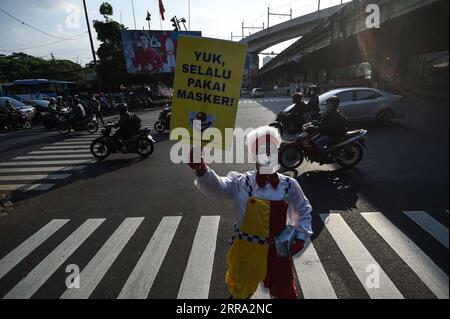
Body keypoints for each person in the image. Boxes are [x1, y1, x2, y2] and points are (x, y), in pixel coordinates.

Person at [188, 126, 313, 299]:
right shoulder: (241, 182)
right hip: (246, 249)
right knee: (240, 292)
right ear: (254, 154)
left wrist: (300, 237)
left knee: (284, 290)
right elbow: (219, 187)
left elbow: (304, 210)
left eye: (272, 150)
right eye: (262, 150)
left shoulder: (289, 184)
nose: (268, 155)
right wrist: (202, 169)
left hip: (278, 249)